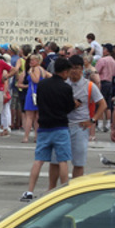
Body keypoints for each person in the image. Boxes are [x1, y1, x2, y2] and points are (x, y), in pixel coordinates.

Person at [22, 55, 77, 202]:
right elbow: (69, 107)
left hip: (44, 126)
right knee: (63, 160)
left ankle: (29, 191)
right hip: (60, 127)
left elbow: (39, 103)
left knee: (38, 160)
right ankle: (65, 189)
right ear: (64, 72)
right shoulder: (66, 87)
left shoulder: (43, 85)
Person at [66, 54, 106, 181]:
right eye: (71, 68)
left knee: (79, 162)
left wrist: (92, 120)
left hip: (80, 127)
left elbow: (103, 104)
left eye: (77, 68)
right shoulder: (64, 84)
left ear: (82, 69)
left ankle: (75, 188)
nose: (74, 71)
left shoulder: (89, 85)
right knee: (59, 161)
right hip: (63, 125)